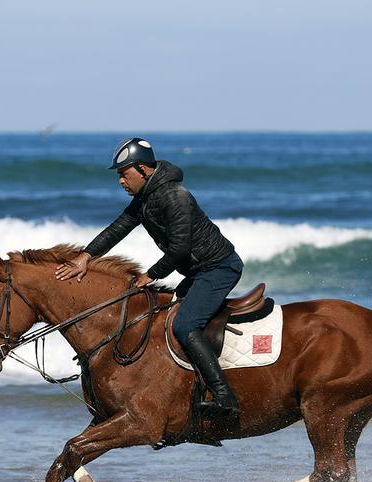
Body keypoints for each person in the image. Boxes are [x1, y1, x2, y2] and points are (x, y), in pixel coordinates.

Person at [55, 137, 243, 417]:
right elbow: (117, 229)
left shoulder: (174, 196)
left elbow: (180, 248)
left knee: (185, 326)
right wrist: (85, 257)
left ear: (142, 169)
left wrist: (150, 275)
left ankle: (224, 396)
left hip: (218, 268)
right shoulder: (145, 198)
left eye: (124, 173)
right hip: (197, 272)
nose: (120, 181)